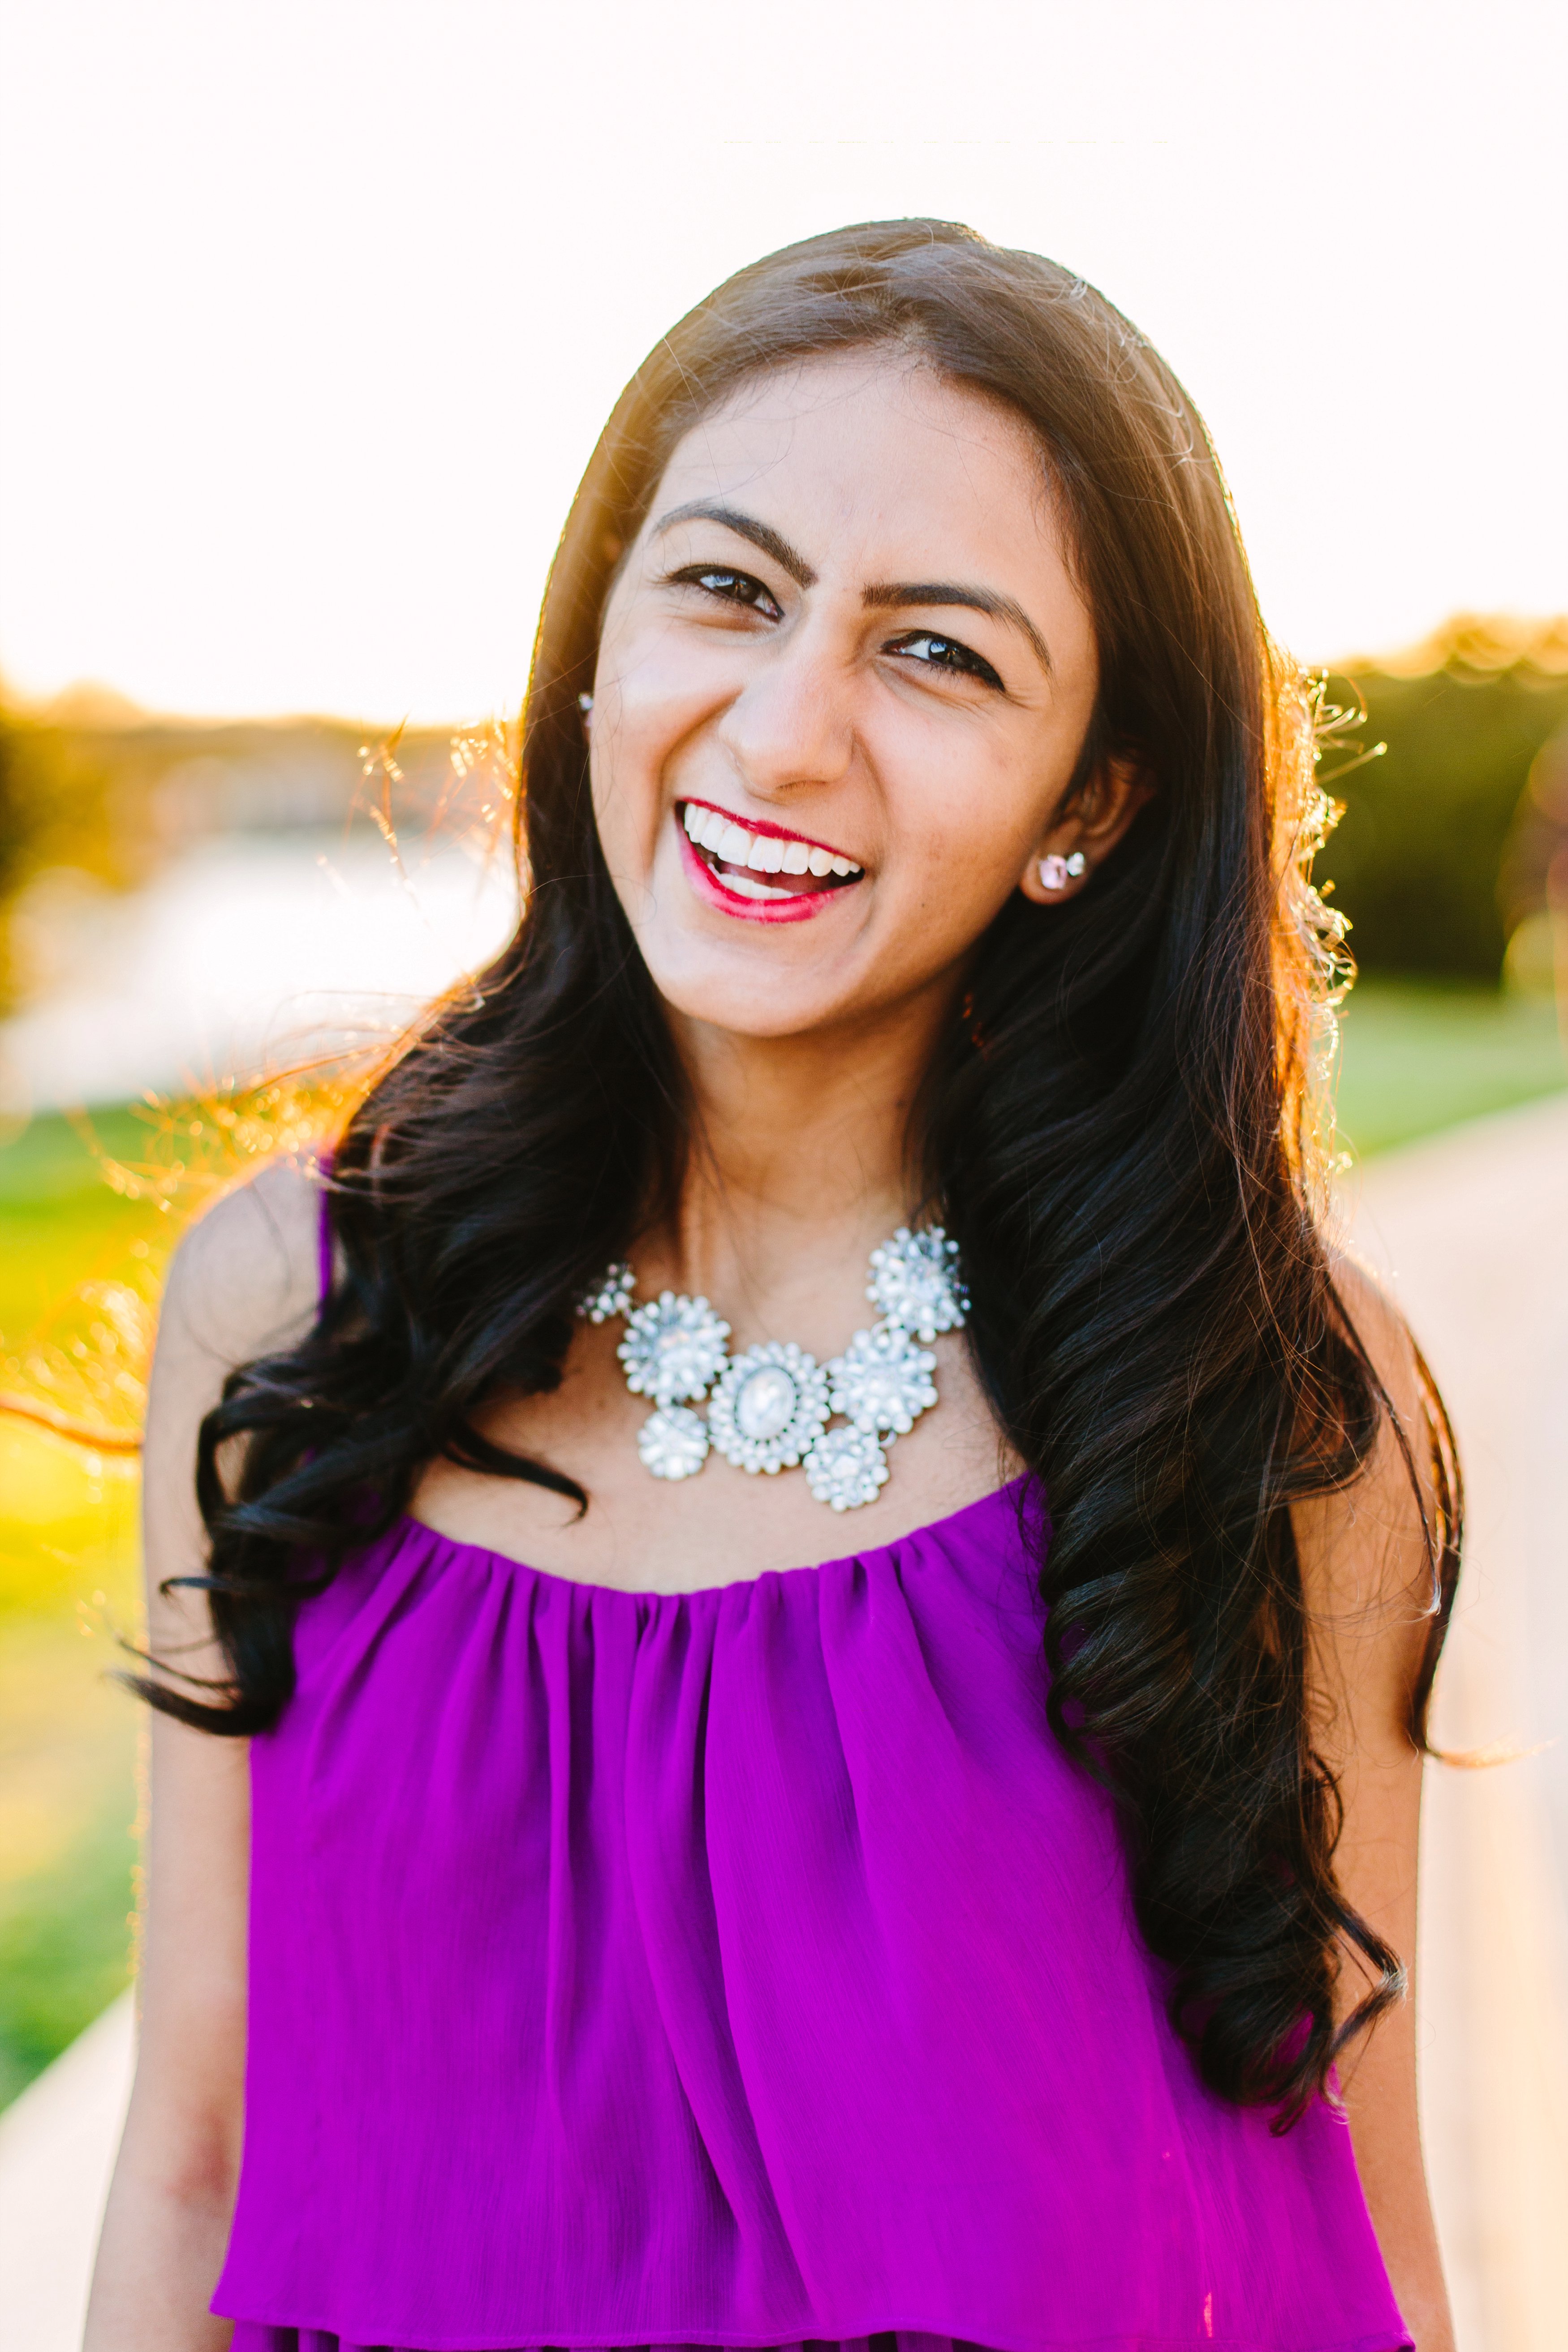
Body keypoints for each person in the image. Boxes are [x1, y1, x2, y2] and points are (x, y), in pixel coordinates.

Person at [85, 220, 1460, 2352]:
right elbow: (189, 2156)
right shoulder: (291, 1309)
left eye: (938, 655)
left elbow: (1352, 2239)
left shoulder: (1258, 1396)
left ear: (1085, 799)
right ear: (598, 647)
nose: (788, 730)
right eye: (726, 589)